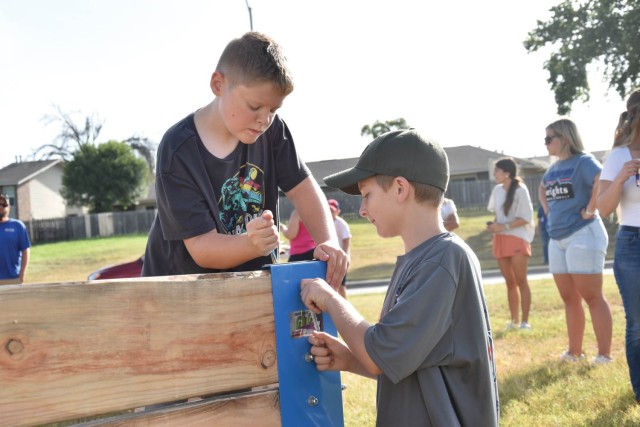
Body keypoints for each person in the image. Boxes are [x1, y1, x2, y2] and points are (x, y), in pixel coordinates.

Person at [300, 129, 499, 426]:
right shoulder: (424, 258)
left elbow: (379, 352)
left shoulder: (442, 260)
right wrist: (350, 359)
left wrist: (330, 298)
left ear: (400, 188)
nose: (363, 210)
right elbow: (407, 355)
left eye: (367, 195)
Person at [141, 32, 347, 288]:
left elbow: (303, 188)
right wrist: (250, 244)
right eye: (254, 106)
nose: (265, 119)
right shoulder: (178, 149)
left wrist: (327, 241)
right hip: (182, 294)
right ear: (218, 84)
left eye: (273, 110)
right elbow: (202, 248)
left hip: (251, 288)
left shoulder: (273, 132)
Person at [538, 118, 612, 364]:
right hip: (557, 238)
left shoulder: (583, 161)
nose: (545, 143)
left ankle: (604, 355)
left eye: (549, 138)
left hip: (583, 234)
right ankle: (575, 352)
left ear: (565, 138)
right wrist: (549, 214)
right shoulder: (552, 169)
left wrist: (591, 209)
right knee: (569, 298)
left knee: (592, 297)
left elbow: (600, 179)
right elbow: (542, 189)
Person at [597, 88, 640, 402]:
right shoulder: (620, 156)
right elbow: (603, 207)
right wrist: (622, 177)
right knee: (638, 322)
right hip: (632, 243)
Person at [486, 157, 535, 330]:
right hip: (500, 239)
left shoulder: (521, 190)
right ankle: (514, 321)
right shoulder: (497, 190)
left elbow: (526, 218)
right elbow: (498, 215)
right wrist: (493, 225)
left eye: (497, 170)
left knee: (521, 281)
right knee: (509, 282)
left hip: (517, 238)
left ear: (507, 173)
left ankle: (525, 322)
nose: (494, 174)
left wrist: (504, 226)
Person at [0, 194, 31, 285]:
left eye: (4, 205)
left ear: (9, 207)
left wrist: (22, 273)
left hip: (13, 278)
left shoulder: (18, 226)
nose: (1, 207)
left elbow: (26, 250)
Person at [328, 199, 351, 298]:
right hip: (330, 258)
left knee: (341, 285)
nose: (330, 213)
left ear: (338, 211)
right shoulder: (324, 224)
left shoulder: (341, 224)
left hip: (340, 259)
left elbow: (346, 241)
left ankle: (344, 305)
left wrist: (345, 256)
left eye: (332, 210)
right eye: (328, 210)